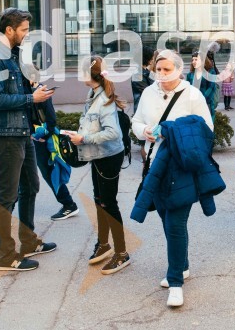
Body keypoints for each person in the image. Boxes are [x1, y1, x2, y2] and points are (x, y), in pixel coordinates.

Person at [130, 49, 215, 308]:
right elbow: (135, 122)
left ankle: (175, 281)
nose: (161, 74)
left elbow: (207, 130)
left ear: (178, 70)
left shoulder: (192, 94)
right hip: (155, 166)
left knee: (176, 224)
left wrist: (175, 133)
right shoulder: (147, 93)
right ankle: (183, 265)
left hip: (182, 168)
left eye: (167, 70)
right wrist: (145, 131)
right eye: (158, 69)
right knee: (167, 221)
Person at [0, 8, 56, 272]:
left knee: (30, 186)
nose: (27, 34)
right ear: (9, 30)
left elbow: (14, 90)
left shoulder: (11, 56)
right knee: (6, 195)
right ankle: (6, 256)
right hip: (4, 135)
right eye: (23, 30)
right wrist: (30, 99)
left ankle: (29, 241)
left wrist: (32, 89)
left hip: (22, 132)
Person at [64, 56, 131, 275]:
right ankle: (104, 244)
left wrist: (83, 140)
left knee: (109, 203)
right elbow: (92, 125)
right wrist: (78, 134)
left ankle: (121, 253)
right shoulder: (93, 94)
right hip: (98, 156)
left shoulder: (103, 101)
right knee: (100, 199)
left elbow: (113, 133)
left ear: (90, 75)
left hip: (109, 157)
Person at [0, 83, 78, 228]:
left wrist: (44, 134)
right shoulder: (22, 91)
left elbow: (51, 119)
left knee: (49, 174)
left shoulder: (40, 91)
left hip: (41, 139)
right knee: (19, 177)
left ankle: (69, 204)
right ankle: (3, 214)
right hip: (26, 137)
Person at [187, 51, 219, 118]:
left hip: (207, 103)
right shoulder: (190, 74)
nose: (193, 62)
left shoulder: (210, 72)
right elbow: (188, 89)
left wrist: (202, 99)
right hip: (193, 104)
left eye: (196, 59)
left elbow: (211, 87)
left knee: (207, 123)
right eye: (192, 60)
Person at [131, 47, 157, 114]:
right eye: (152, 57)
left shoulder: (145, 71)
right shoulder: (138, 74)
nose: (153, 59)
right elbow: (149, 91)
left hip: (146, 108)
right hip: (143, 110)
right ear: (147, 58)